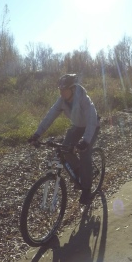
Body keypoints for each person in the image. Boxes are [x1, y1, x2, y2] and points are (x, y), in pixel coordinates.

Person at [28, 73, 100, 206]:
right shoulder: (62, 101)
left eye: (64, 90)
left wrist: (85, 141)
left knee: (84, 154)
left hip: (92, 126)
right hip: (77, 126)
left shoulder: (83, 99)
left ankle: (87, 189)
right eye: (60, 89)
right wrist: (37, 134)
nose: (61, 92)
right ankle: (79, 172)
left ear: (72, 89)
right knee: (65, 149)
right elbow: (49, 116)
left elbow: (91, 119)